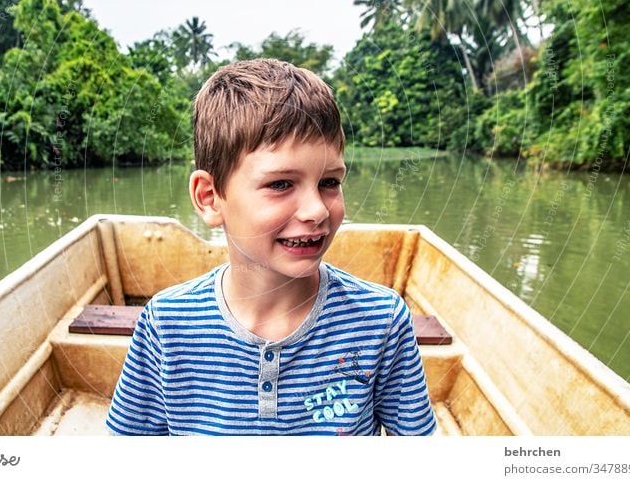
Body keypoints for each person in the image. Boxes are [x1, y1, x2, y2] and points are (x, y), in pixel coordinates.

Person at [106, 58, 436, 435]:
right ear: (210, 197)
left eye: (330, 182)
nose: (316, 210)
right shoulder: (166, 324)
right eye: (281, 184)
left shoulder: (381, 320)